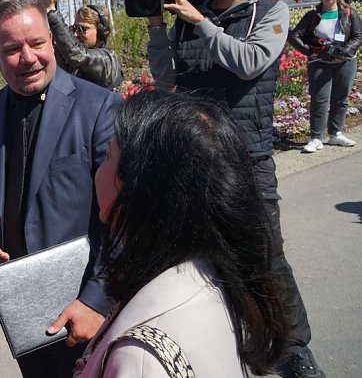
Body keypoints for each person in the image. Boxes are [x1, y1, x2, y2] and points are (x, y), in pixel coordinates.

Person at [146, 0, 323, 378]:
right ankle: (229, 336)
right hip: (198, 157)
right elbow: (168, 78)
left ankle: (295, 347)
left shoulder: (270, 12)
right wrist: (156, 28)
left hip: (248, 156)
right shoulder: (192, 15)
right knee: (208, 255)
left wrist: (200, 22)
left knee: (266, 256)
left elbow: (250, 61)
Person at [0, 0, 122, 377]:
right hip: (25, 312)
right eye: (13, 49)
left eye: (36, 44)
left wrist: (97, 300)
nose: (28, 58)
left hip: (89, 312)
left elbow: (127, 220)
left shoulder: (101, 108)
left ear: (52, 40)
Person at [75, 89, 288, 376]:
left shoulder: (140, 361)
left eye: (107, 155)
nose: (99, 170)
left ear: (139, 190)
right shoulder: (209, 271)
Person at [288, 0, 362, 153]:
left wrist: (343, 50)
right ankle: (316, 137)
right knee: (320, 99)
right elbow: (294, 36)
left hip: (345, 61)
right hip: (320, 62)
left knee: (341, 98)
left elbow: (358, 36)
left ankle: (336, 133)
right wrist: (311, 52)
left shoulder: (350, 13)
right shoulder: (312, 15)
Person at [38, 0, 124, 90]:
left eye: (83, 29)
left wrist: (51, 10)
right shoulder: (75, 63)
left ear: (102, 32)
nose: (76, 34)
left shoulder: (109, 60)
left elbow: (78, 55)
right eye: (75, 28)